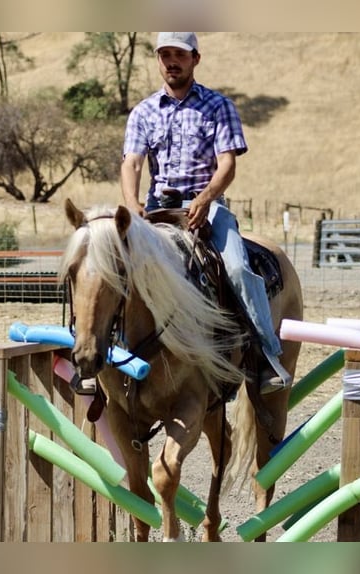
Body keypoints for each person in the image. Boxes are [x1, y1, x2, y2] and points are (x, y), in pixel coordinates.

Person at [120, 31, 290, 394]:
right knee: (115, 268)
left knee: (237, 268)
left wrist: (207, 197)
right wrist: (132, 202)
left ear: (195, 58)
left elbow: (227, 164)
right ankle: (107, 357)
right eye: (164, 54)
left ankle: (265, 357)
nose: (171, 61)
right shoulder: (143, 112)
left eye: (178, 54)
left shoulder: (218, 106)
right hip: (157, 211)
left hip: (208, 208)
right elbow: (132, 162)